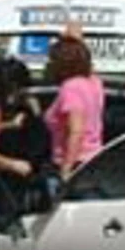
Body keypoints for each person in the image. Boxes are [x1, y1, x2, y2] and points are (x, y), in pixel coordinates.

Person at [45, 36, 104, 178]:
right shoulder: (94, 82)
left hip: (75, 162)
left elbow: (76, 131)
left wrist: (66, 169)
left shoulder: (71, 88)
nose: (49, 65)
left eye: (53, 60)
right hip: (94, 158)